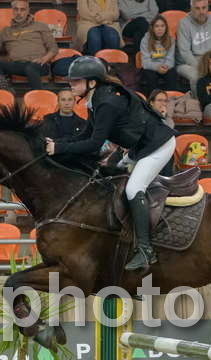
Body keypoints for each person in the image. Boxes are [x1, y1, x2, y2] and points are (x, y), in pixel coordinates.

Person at [45, 56, 176, 271]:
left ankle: (145, 250)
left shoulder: (106, 103)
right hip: (140, 147)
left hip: (158, 145)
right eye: (71, 81)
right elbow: (85, 134)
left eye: (76, 81)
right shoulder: (95, 99)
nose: (71, 85)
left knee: (134, 188)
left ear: (92, 82)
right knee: (113, 180)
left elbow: (94, 144)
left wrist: (59, 149)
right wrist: (57, 144)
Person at [0, 0, 58, 93]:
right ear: (12, 11)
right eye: (16, 9)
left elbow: (54, 48)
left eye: (22, 9)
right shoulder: (6, 31)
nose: (19, 13)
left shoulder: (40, 26)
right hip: (17, 65)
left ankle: (38, 96)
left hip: (38, 64)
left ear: (28, 11)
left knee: (31, 68)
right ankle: (6, 90)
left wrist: (44, 59)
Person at [176, 0, 211, 92]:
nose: (201, 12)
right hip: (188, 63)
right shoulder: (183, 23)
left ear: (208, 8)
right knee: (197, 76)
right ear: (191, 9)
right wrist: (203, 67)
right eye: (197, 8)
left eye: (204, 8)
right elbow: (185, 52)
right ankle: (198, 100)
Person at [139, 14, 179, 95]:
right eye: (156, 26)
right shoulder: (145, 40)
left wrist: (165, 66)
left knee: (172, 73)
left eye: (162, 26)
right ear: (152, 28)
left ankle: (171, 98)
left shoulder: (171, 40)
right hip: (151, 67)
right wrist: (157, 67)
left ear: (166, 28)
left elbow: (170, 59)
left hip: (165, 67)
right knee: (150, 75)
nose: (160, 29)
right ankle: (154, 99)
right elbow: (145, 62)